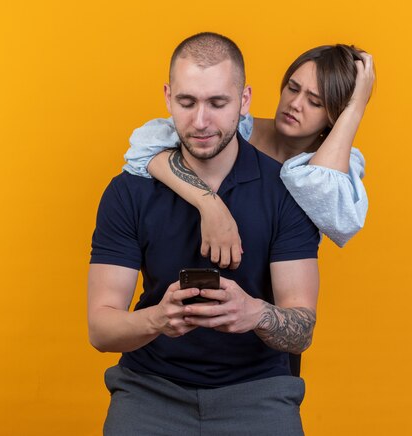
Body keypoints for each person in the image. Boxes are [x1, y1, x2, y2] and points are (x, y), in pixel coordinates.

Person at [88, 32, 320, 435]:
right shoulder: (129, 192)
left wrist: (254, 313)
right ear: (167, 98)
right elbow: (101, 329)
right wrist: (157, 319)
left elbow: (302, 329)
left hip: (258, 391)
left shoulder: (285, 190)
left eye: (217, 103)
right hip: (149, 389)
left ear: (244, 101)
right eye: (186, 101)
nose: (200, 122)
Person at [124, 44, 375, 270]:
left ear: (336, 115)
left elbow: (339, 220)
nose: (295, 104)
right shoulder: (234, 129)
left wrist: (355, 108)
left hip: (273, 298)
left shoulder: (341, 163)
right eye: (292, 88)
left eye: (315, 102)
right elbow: (144, 147)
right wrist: (210, 205)